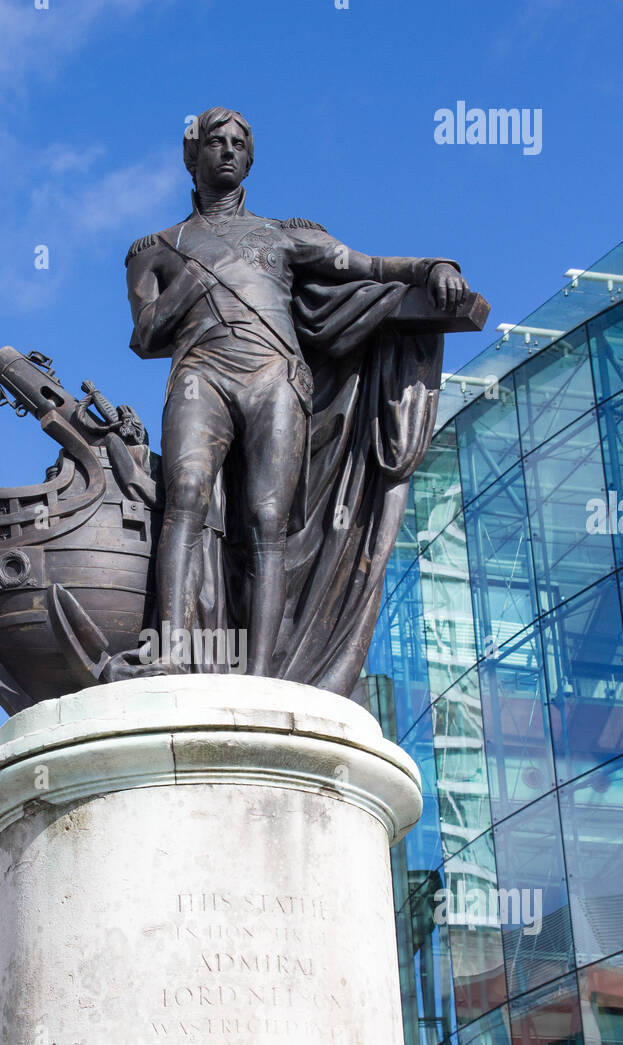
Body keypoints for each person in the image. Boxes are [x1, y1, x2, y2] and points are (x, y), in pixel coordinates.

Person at [126, 106, 468, 679]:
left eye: (239, 143)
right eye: (216, 141)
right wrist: (200, 269)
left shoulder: (281, 236)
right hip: (200, 371)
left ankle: (262, 674)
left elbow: (372, 264)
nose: (229, 150)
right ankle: (173, 650)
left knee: (267, 519)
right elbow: (145, 334)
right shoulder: (153, 249)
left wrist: (435, 265)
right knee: (185, 490)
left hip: (275, 377)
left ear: (250, 161)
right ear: (194, 157)